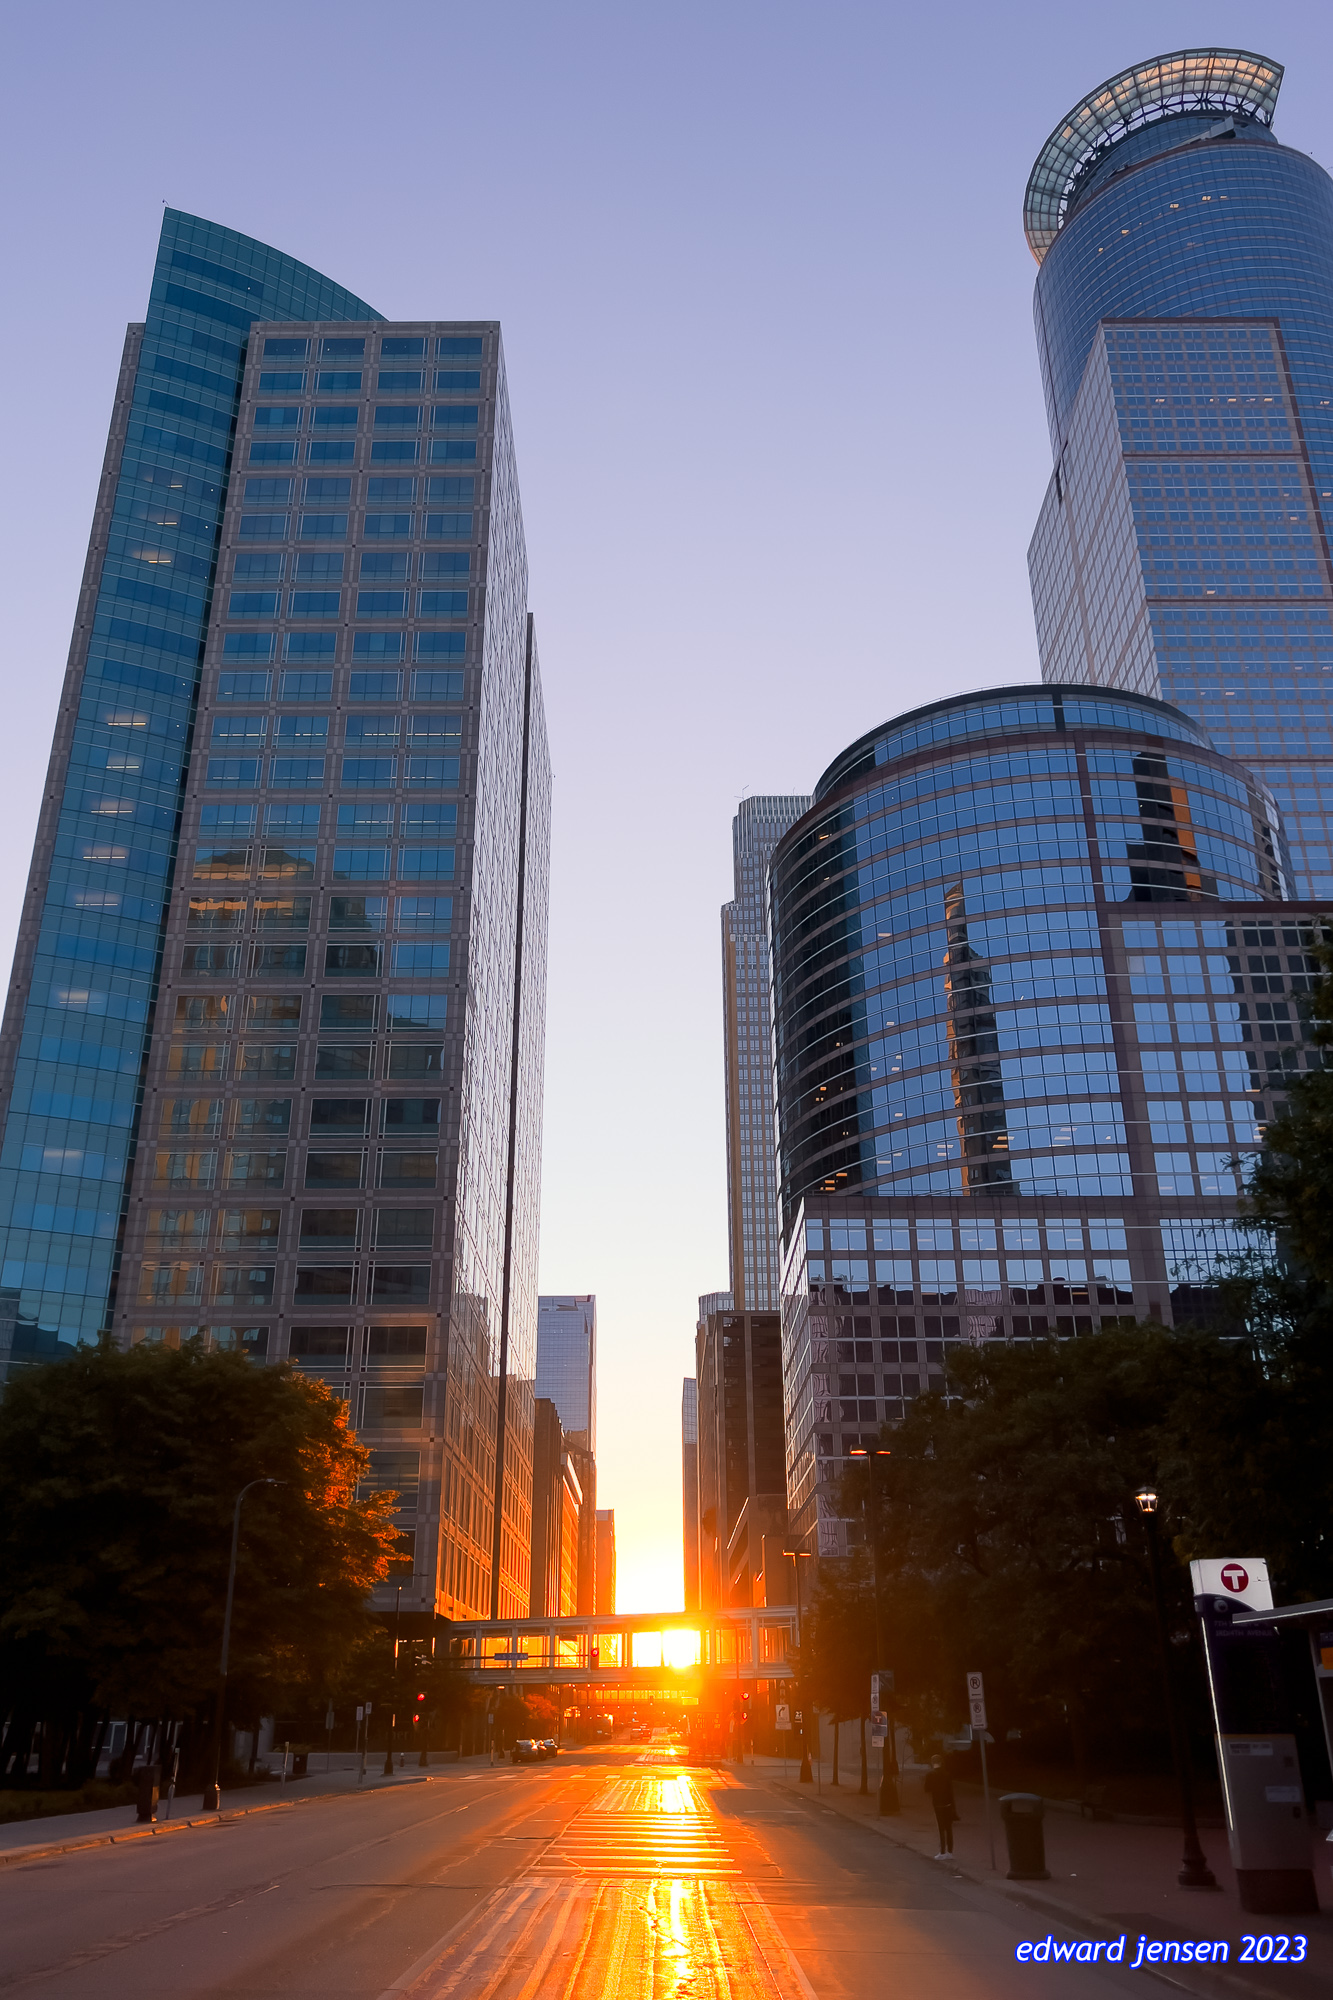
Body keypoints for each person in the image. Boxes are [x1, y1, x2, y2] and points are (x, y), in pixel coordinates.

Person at [923, 1754, 957, 1858]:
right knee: (949, 1828)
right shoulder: (947, 1774)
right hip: (948, 1804)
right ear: (941, 1762)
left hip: (938, 1804)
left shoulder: (930, 1775)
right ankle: (950, 1852)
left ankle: (942, 1852)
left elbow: (927, 1790)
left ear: (932, 1763)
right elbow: (951, 1791)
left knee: (941, 1828)